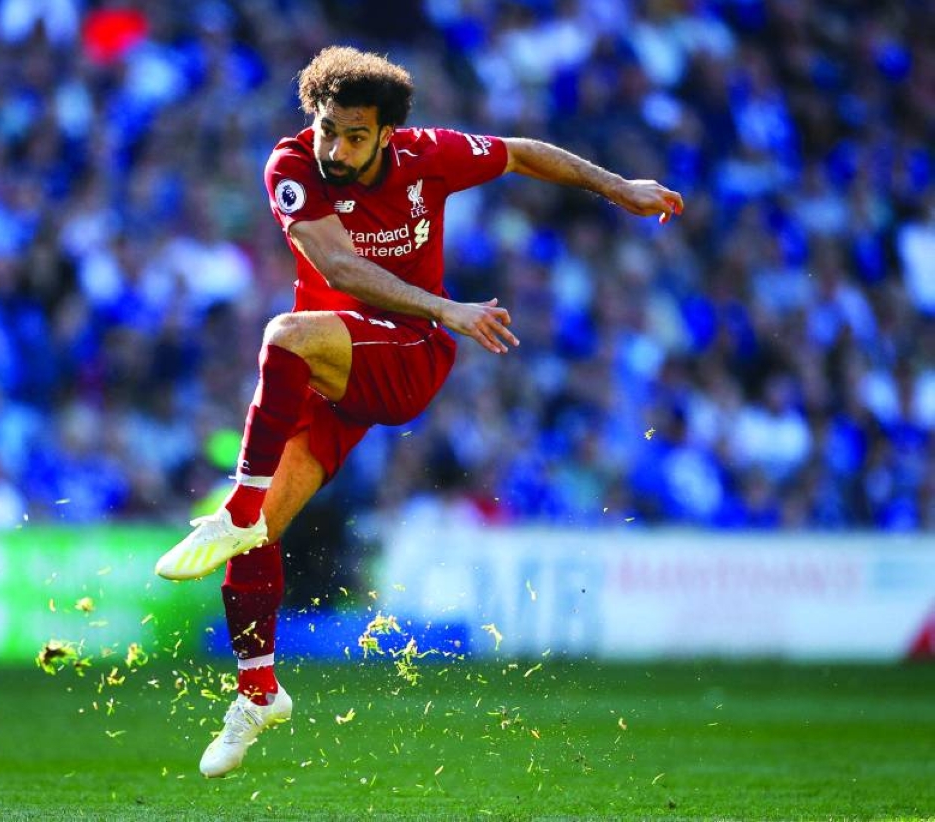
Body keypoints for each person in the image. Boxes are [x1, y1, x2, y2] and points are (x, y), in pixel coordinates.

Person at [154, 45, 684, 778]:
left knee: (283, 336)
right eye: (326, 127)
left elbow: (523, 153)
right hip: (334, 371)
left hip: (408, 355)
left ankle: (236, 505)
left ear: (388, 133)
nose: (334, 147)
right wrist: (447, 301)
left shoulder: (428, 156)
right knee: (256, 538)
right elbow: (337, 267)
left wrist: (618, 187)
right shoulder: (293, 168)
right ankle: (257, 693)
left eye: (354, 135)